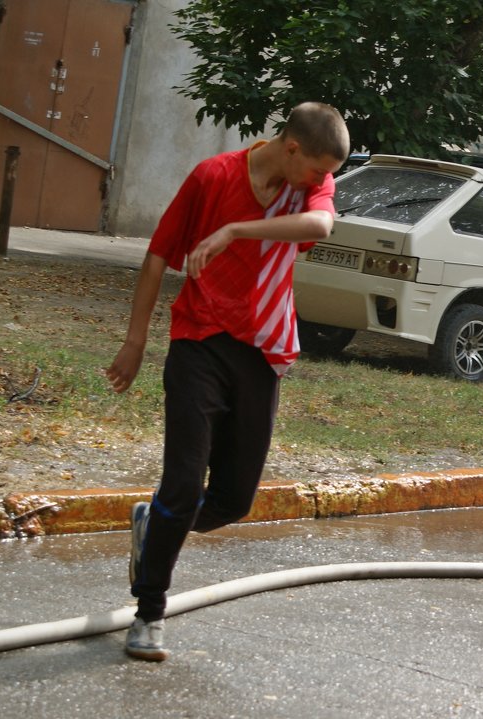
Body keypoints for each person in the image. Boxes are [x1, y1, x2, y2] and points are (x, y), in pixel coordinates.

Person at [105, 102, 349, 661]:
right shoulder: (212, 176)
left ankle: (155, 519)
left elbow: (322, 224)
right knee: (185, 483)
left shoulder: (307, 187)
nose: (323, 181)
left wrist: (236, 230)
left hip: (261, 352)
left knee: (234, 500)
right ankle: (149, 612)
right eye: (317, 170)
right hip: (199, 343)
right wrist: (136, 341)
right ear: (291, 149)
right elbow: (156, 257)